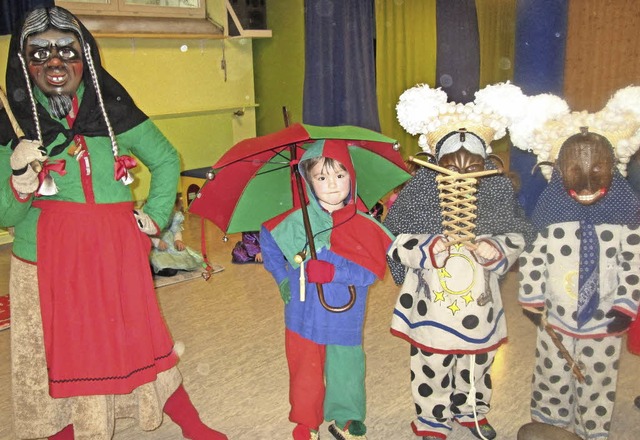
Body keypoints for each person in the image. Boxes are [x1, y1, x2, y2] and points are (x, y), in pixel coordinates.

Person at [0, 6, 226, 440]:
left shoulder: (111, 110)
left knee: (141, 338)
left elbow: (164, 158)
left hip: (114, 250)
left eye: (67, 50)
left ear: (85, 55)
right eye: (39, 52)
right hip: (46, 261)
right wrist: (20, 179)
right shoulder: (14, 127)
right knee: (58, 355)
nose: (54, 62)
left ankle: (188, 420)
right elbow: (6, 215)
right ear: (24, 63)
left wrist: (155, 215)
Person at [387, 83, 535, 440]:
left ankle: (471, 409)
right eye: (453, 167)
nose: (463, 174)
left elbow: (519, 233)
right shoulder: (419, 192)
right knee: (431, 362)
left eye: (473, 167)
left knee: (477, 362)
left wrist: (496, 247)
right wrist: (425, 249)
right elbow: (392, 241)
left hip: (478, 304)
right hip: (430, 304)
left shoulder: (496, 191)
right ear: (437, 163)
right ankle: (432, 418)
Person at [509, 85, 640, 439]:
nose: (585, 179)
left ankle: (592, 429)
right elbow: (535, 256)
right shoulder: (550, 212)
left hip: (604, 317)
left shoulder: (625, 213)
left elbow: (633, 262)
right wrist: (532, 298)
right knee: (552, 372)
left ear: (613, 166)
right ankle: (549, 424)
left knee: (597, 378)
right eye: (574, 168)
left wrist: (626, 306)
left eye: (596, 168)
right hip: (557, 314)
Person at [260, 139, 394, 440]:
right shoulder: (297, 222)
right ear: (308, 181)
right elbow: (267, 238)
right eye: (321, 177)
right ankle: (305, 419)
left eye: (340, 175)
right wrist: (282, 275)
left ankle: (346, 415)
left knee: (346, 367)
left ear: (352, 178)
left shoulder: (364, 225)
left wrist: (335, 271)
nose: (332, 185)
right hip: (302, 313)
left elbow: (371, 273)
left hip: (345, 314)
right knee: (305, 367)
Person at [150, 194, 205, 276]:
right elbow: (144, 235)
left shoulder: (174, 215)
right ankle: (155, 267)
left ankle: (177, 265)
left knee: (188, 261)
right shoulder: (149, 216)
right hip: (154, 247)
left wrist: (178, 240)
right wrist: (156, 242)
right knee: (169, 270)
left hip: (170, 244)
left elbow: (176, 230)